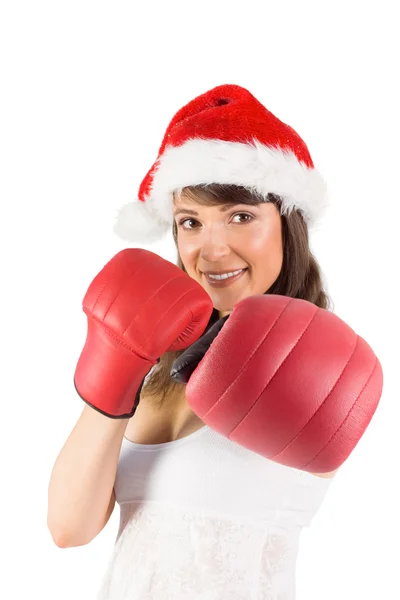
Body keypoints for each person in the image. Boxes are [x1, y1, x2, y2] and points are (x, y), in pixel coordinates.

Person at [47, 84, 383, 599]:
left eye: (241, 216)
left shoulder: (317, 361)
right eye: (190, 223)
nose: (212, 249)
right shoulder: (158, 361)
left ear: (288, 225)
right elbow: (69, 527)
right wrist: (115, 369)